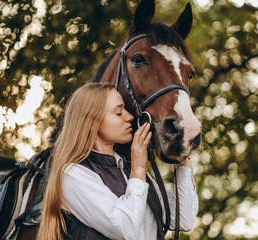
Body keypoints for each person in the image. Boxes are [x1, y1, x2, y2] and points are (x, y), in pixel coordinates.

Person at [37, 83, 198, 240]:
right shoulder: (73, 174)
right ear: (92, 122)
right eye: (119, 112)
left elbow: (181, 219)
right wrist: (138, 170)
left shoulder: (128, 170)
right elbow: (124, 228)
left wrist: (183, 156)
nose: (129, 117)